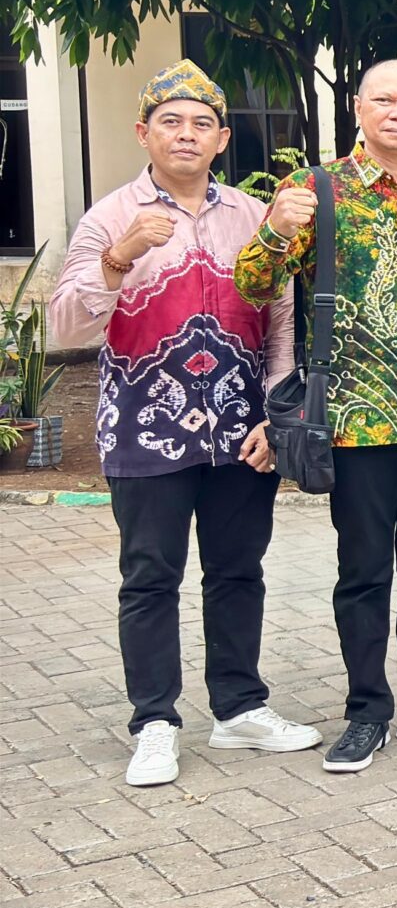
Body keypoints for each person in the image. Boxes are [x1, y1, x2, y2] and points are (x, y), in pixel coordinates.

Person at [49, 61, 320, 786]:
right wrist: (120, 257)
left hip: (241, 432)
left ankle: (237, 709)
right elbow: (68, 326)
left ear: (223, 138)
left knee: (238, 572)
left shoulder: (252, 218)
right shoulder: (111, 216)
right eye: (171, 121)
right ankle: (156, 722)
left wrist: (275, 411)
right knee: (150, 578)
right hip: (144, 430)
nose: (186, 134)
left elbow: (283, 322)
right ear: (144, 133)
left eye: (202, 123)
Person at [233, 60, 397, 773]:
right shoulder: (314, 190)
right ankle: (367, 710)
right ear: (359, 108)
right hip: (355, 422)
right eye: (385, 100)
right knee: (362, 572)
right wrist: (272, 233)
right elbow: (255, 286)